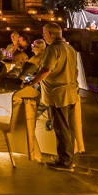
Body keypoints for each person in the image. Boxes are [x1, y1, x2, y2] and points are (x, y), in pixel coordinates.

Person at [25, 23, 79, 172]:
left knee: (61, 127)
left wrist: (32, 82)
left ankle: (65, 161)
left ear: (50, 34)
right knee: (68, 127)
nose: (43, 36)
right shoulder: (70, 48)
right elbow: (75, 71)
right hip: (70, 92)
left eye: (44, 33)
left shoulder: (53, 49)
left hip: (57, 94)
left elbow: (46, 69)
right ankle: (67, 158)